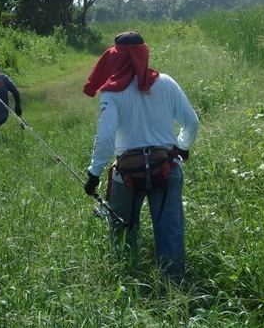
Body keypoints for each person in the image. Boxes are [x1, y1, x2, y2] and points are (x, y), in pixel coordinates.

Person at [83, 31, 199, 282]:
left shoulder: (111, 94)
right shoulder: (166, 83)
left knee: (122, 230)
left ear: (113, 58)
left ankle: (126, 280)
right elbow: (192, 123)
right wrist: (182, 146)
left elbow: (104, 140)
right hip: (166, 168)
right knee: (169, 230)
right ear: (144, 53)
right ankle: (173, 287)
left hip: (127, 175)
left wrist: (94, 174)